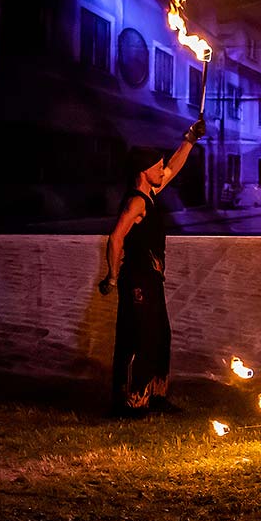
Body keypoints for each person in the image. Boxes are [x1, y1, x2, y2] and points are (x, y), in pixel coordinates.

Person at [99, 119, 206, 417]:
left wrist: (189, 139)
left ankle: (155, 396)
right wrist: (113, 275)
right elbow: (116, 237)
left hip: (151, 279)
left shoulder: (150, 194)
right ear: (144, 171)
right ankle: (132, 403)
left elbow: (174, 166)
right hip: (137, 280)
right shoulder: (136, 202)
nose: (163, 171)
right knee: (139, 338)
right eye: (157, 167)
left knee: (160, 336)